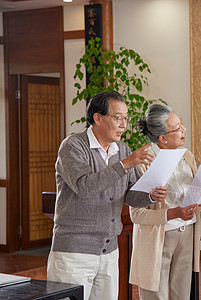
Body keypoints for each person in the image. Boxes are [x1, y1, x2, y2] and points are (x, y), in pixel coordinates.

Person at [47, 90, 159, 300]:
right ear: (97, 118)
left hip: (109, 253)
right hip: (74, 253)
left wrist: (152, 195)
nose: (124, 124)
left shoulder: (123, 150)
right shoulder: (72, 146)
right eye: (118, 118)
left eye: (126, 118)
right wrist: (125, 164)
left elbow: (131, 196)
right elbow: (84, 186)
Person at [129, 103, 201, 300]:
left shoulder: (186, 156)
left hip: (188, 232)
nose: (183, 130)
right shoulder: (143, 161)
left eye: (181, 125)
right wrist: (173, 213)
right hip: (158, 236)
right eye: (178, 127)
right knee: (156, 295)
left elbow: (195, 198)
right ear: (162, 138)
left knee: (181, 295)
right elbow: (136, 214)